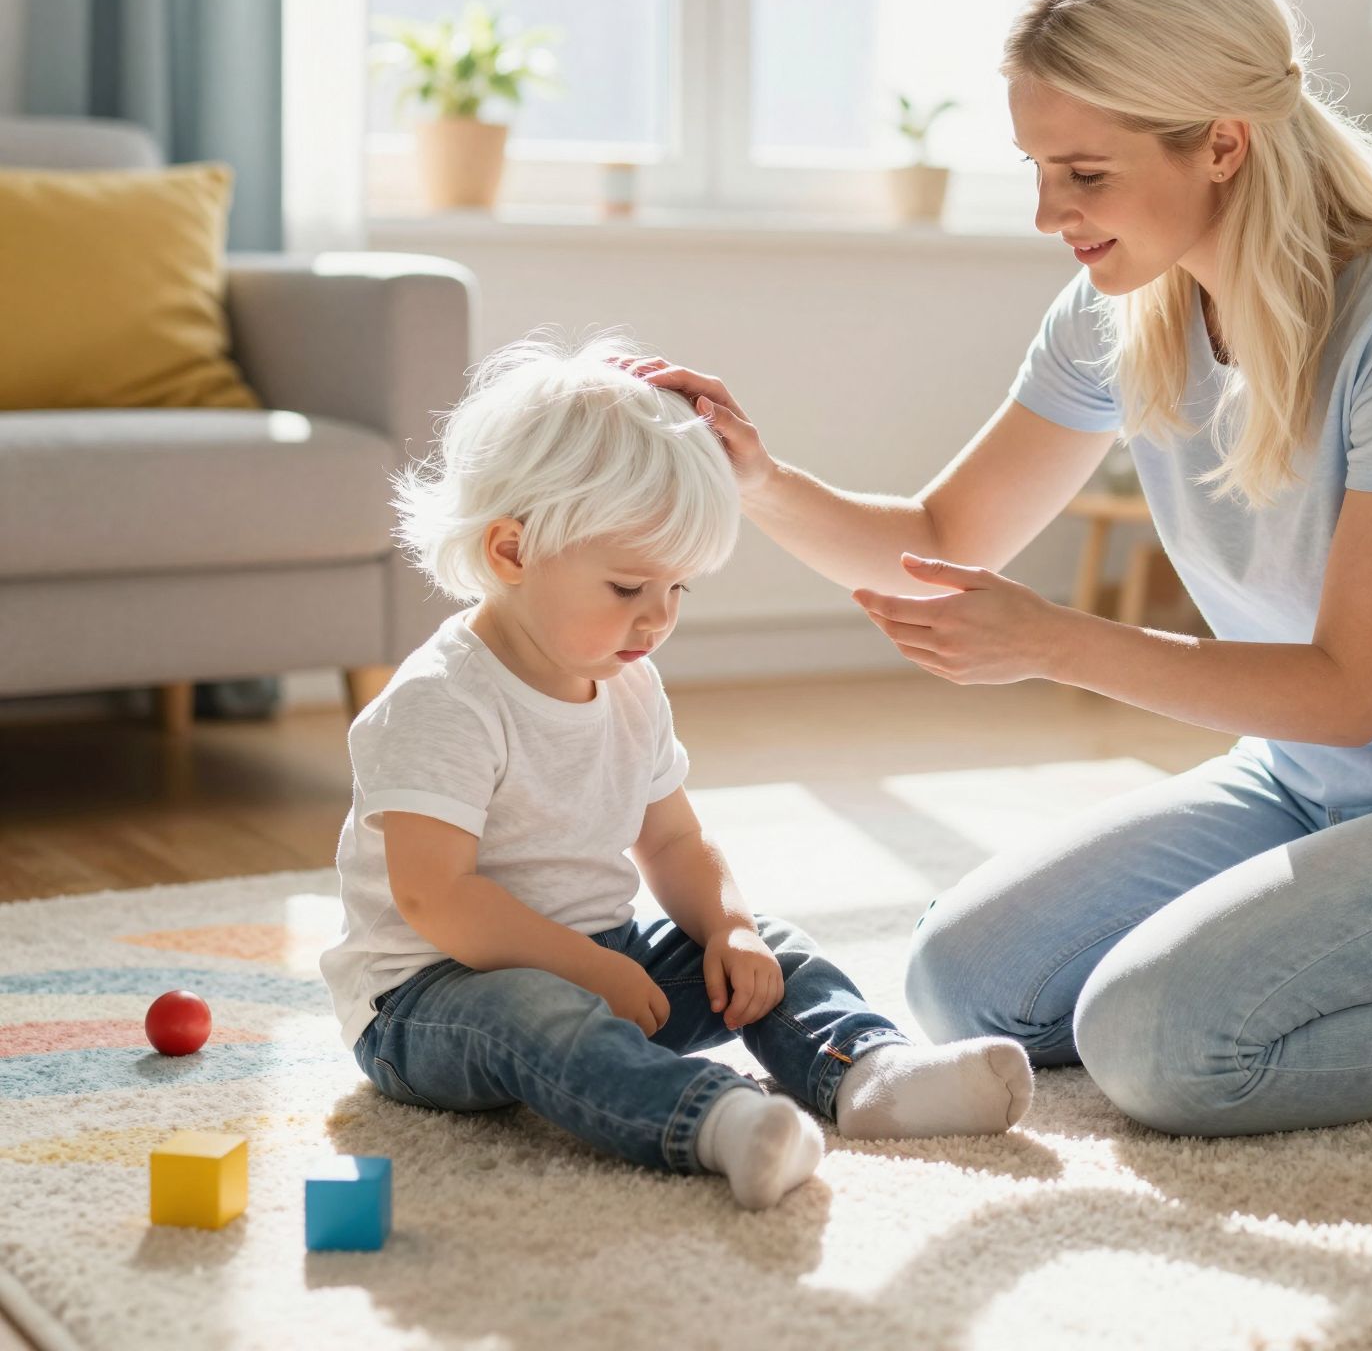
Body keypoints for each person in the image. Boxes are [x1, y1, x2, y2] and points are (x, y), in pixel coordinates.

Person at [625, 0, 1372, 1140]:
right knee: (961, 980)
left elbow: (1350, 688)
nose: (1050, 212)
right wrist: (756, 476)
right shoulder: (1124, 306)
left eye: (1084, 174)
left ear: (1220, 142)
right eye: (1038, 168)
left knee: (1159, 1044)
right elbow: (944, 534)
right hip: (1303, 785)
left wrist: (1054, 642)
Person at [319, 335, 1033, 1210]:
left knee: (768, 952)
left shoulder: (629, 684)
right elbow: (438, 898)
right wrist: (586, 970)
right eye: (627, 588)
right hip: (432, 999)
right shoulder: (442, 702)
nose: (657, 619)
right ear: (512, 553)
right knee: (537, 1018)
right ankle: (714, 1122)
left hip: (599, 955)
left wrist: (729, 926)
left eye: (678, 591)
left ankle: (869, 1074)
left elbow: (676, 838)